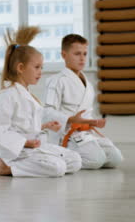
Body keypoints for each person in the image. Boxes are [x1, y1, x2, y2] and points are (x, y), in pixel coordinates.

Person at [0, 26, 82, 177]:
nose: (40, 72)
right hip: (18, 153)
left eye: (41, 67)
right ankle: (5, 168)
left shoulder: (28, 95)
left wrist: (45, 126)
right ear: (21, 68)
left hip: (34, 148)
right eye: (37, 67)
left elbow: (25, 126)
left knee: (75, 160)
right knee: (57, 168)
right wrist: (25, 142)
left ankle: (36, 163)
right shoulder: (6, 96)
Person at [43, 34, 123, 169]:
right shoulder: (56, 81)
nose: (82, 58)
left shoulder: (88, 84)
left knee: (115, 158)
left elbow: (86, 114)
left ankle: (79, 152)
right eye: (77, 54)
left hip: (85, 134)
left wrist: (92, 122)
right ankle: (58, 154)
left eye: (85, 54)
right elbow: (47, 112)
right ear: (64, 55)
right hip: (66, 134)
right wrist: (70, 119)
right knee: (96, 161)